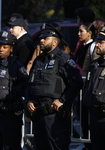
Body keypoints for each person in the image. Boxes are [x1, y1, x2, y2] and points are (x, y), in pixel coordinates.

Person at [25, 22, 83, 150]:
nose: (41, 40)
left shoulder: (63, 59)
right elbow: (30, 83)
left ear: (55, 42)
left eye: (46, 38)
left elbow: (76, 81)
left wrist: (62, 100)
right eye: (41, 37)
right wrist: (29, 99)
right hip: (38, 113)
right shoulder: (39, 60)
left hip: (54, 115)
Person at [0, 31, 28, 150]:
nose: (0, 49)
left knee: (11, 146)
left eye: (5, 47)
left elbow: (23, 85)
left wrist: (8, 100)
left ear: (11, 49)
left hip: (8, 114)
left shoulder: (16, 66)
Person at [83, 26, 105, 150]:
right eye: (97, 42)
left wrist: (102, 97)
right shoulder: (95, 64)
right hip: (95, 115)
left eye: (101, 42)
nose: (97, 45)